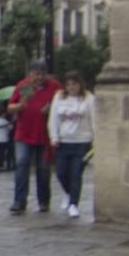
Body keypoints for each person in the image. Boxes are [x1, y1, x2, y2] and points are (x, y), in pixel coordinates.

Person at [6, 59, 61, 213]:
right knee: (22, 166)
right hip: (24, 134)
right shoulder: (25, 86)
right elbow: (10, 107)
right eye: (36, 74)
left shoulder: (54, 87)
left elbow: (61, 103)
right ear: (30, 74)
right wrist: (20, 106)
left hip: (44, 135)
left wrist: (51, 108)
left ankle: (44, 201)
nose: (39, 78)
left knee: (43, 169)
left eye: (42, 74)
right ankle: (19, 201)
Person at [49, 70, 96, 219]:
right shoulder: (59, 97)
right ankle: (68, 193)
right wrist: (54, 136)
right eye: (68, 84)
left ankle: (74, 204)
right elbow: (53, 118)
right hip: (64, 141)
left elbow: (94, 119)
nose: (71, 87)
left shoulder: (88, 98)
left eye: (74, 84)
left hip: (82, 141)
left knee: (76, 174)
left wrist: (96, 140)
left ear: (79, 84)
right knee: (61, 172)